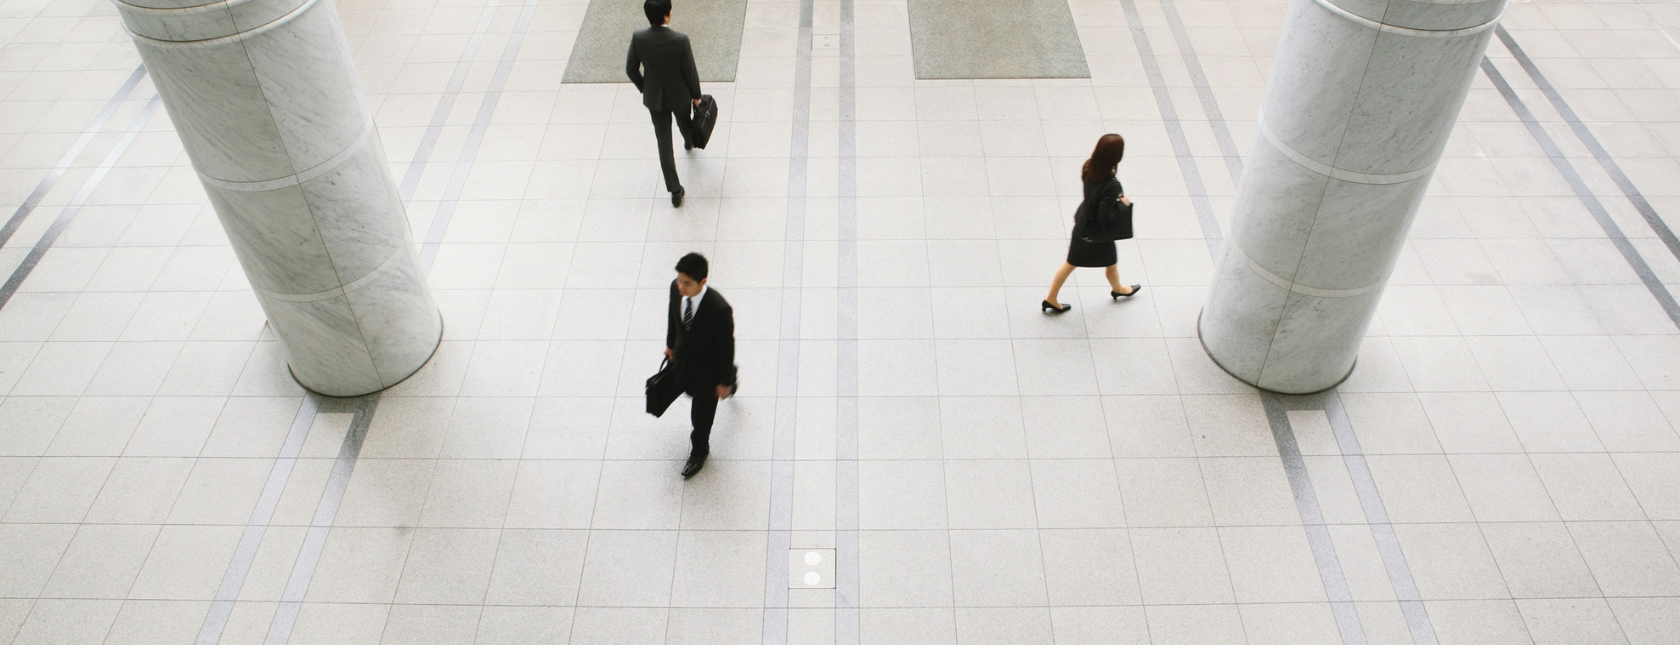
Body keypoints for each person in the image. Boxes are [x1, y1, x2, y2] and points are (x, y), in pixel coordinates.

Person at [1044, 133, 1142, 313]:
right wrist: (1121, 205)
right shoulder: (1112, 184)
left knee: (1070, 263)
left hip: (1082, 225)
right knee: (1111, 262)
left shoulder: (1088, 167)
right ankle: (1119, 289)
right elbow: (1104, 217)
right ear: (1116, 156)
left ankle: (1051, 298)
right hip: (1098, 235)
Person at [665, 253, 736, 478]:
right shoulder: (675, 289)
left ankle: (699, 452)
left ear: (702, 282)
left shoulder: (719, 309)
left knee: (701, 417)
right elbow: (673, 318)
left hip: (709, 373)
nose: (681, 286)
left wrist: (723, 382)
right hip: (685, 362)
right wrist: (671, 345)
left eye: (687, 283)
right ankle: (732, 380)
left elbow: (726, 350)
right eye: (679, 280)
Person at [627, 0, 702, 208]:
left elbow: (631, 69)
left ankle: (675, 190)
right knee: (684, 120)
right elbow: (690, 71)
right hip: (679, 95)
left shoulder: (639, 38)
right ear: (667, 15)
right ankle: (688, 140)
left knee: (663, 142)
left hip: (655, 99)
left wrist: (646, 88)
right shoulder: (680, 40)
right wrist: (697, 96)